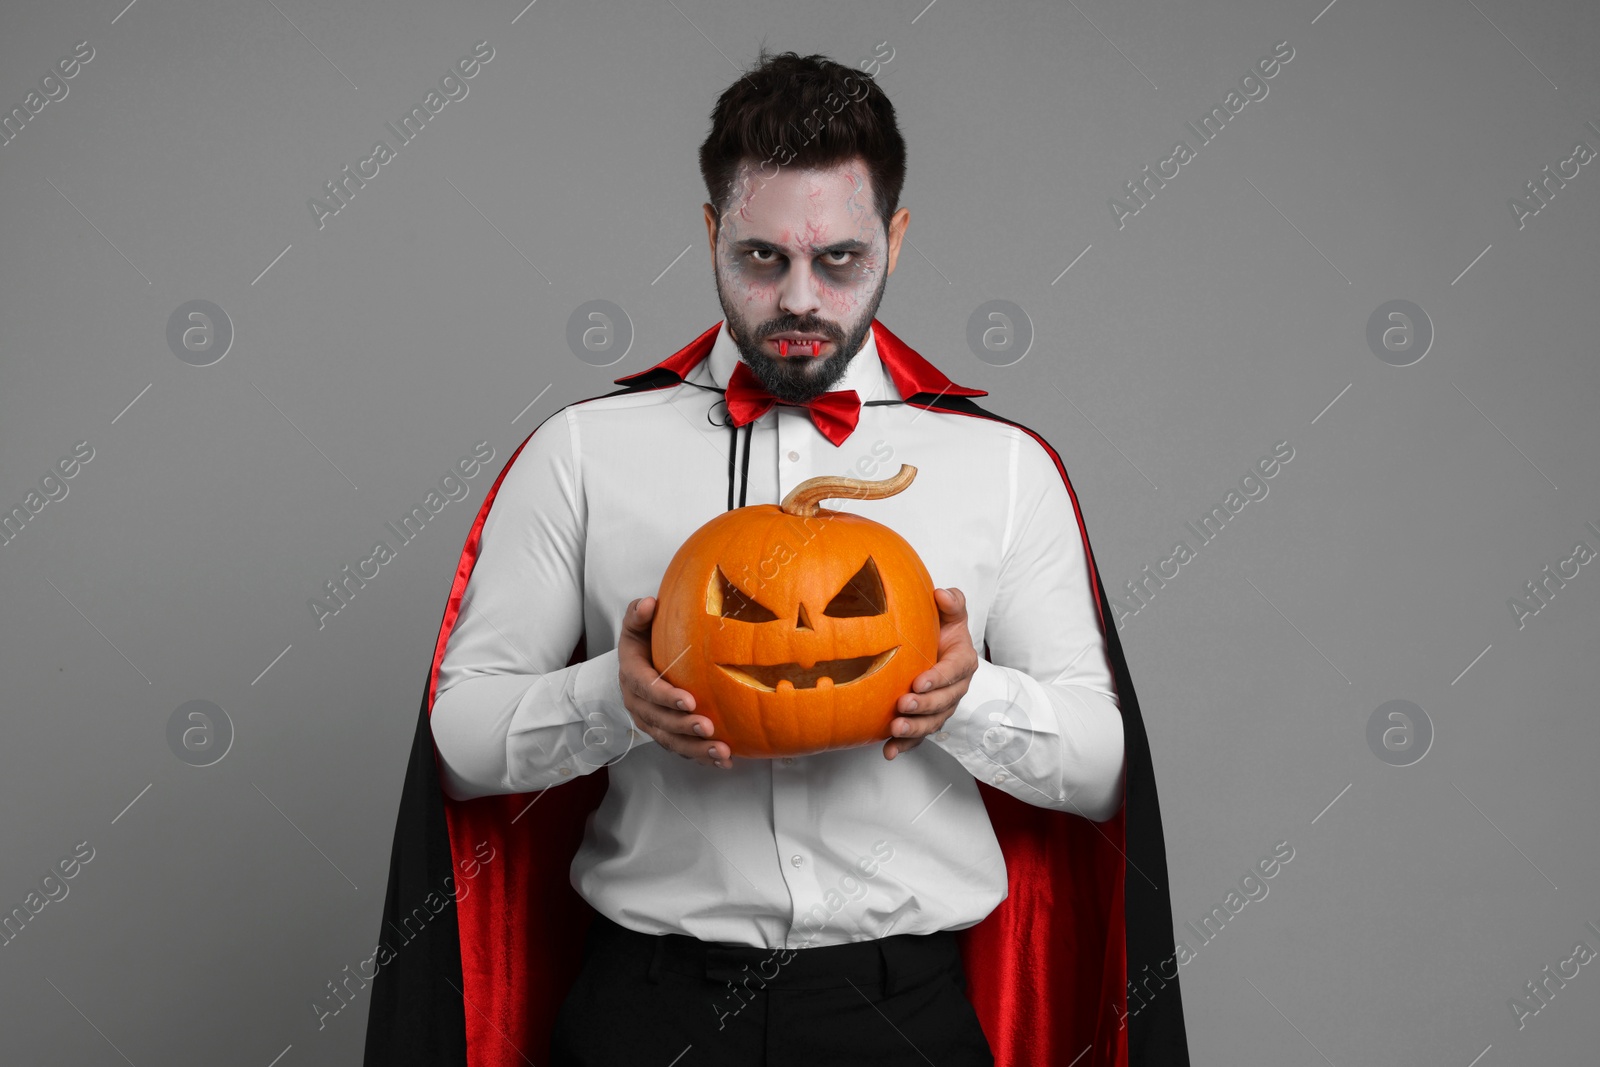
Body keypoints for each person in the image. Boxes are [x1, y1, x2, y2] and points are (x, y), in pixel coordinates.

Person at [363, 50, 1190, 1067]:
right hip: (646, 1007)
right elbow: (458, 740)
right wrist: (610, 699)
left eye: (838, 259)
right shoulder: (582, 450)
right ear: (710, 233)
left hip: (900, 1015)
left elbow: (1103, 773)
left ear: (893, 237)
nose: (799, 297)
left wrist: (965, 695)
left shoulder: (1005, 465)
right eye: (762, 257)